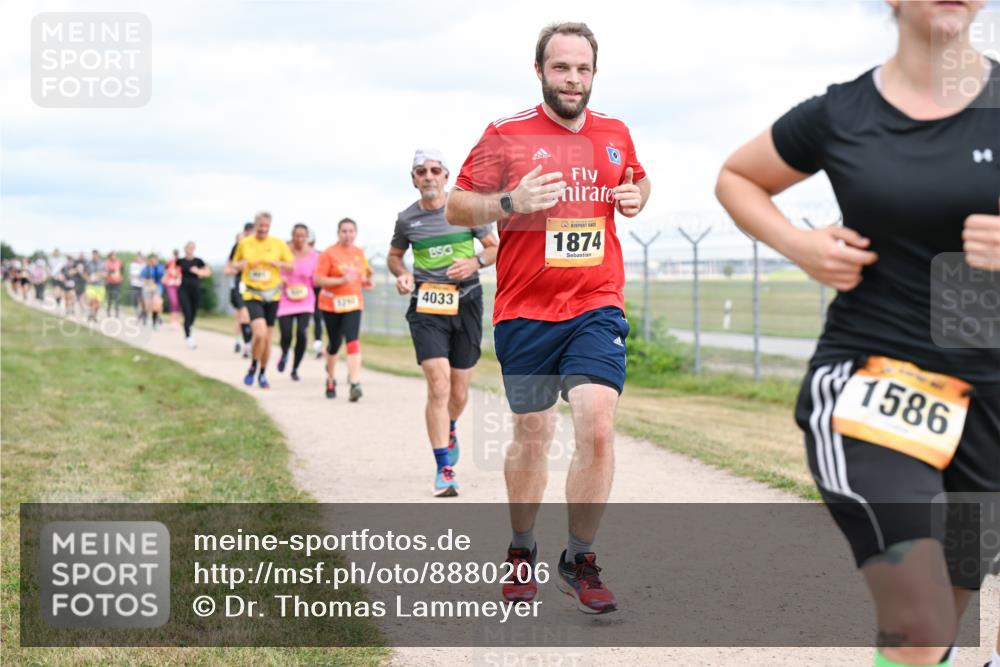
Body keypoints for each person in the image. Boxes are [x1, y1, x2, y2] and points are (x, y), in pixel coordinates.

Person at [715, 3, 999, 665]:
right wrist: (799, 244)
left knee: (941, 617)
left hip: (988, 397)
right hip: (874, 379)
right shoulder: (841, 113)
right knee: (920, 620)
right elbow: (737, 177)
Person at [446, 22, 650, 613]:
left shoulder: (615, 133)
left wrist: (637, 197)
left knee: (598, 424)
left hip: (596, 302)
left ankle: (579, 558)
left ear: (594, 73)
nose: (573, 79)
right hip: (525, 311)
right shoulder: (505, 134)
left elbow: (638, 181)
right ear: (540, 71)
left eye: (583, 69)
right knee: (533, 434)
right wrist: (510, 202)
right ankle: (521, 547)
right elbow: (458, 206)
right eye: (561, 68)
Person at [388, 148, 499, 497]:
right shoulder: (407, 219)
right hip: (427, 305)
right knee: (438, 385)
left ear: (447, 176)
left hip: (466, 301)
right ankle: (444, 469)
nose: (429, 176)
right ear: (413, 180)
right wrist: (402, 273)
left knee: (459, 391)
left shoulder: (465, 210)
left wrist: (475, 263)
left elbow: (495, 247)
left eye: (435, 170)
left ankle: (450, 425)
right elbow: (394, 256)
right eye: (421, 171)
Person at [229, 211, 293, 389]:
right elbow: (234, 264)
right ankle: (253, 365)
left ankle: (262, 373)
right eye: (260, 226)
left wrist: (279, 264)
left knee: (267, 339)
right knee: (260, 333)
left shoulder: (278, 244)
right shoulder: (244, 243)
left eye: (266, 226)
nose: (263, 229)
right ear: (255, 225)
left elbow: (291, 266)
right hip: (253, 294)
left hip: (272, 295)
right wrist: (239, 265)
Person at [315, 217, 373, 401]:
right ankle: (330, 378)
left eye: (351, 231)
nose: (348, 235)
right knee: (334, 344)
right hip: (331, 305)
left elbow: (361, 276)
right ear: (338, 233)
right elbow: (318, 280)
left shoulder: (359, 253)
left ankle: (355, 383)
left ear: (356, 233)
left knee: (352, 341)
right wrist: (341, 280)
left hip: (353, 303)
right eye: (344, 231)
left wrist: (367, 280)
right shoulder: (329, 253)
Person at [276, 223, 319, 381]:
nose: (299, 239)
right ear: (292, 236)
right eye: (297, 236)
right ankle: (284, 353)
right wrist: (281, 279)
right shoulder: (284, 252)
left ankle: (295, 368)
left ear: (307, 237)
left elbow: (316, 279)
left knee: (302, 332)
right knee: (286, 333)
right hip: (286, 298)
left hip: (305, 299)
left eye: (303, 236)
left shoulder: (314, 256)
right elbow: (276, 271)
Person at [226, 223, 254, 358]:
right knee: (242, 315)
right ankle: (244, 343)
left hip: (257, 285)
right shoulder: (238, 247)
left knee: (253, 317)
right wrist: (238, 267)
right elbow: (229, 267)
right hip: (240, 285)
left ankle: (250, 341)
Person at [177, 241, 211, 348]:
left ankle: (189, 327)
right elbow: (172, 271)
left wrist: (198, 272)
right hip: (183, 290)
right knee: (187, 313)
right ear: (185, 249)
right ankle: (189, 337)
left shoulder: (198, 261)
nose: (190, 249)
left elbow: (208, 272)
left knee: (193, 313)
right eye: (188, 247)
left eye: (192, 248)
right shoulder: (180, 261)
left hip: (195, 290)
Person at [309, 230, 325, 359]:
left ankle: (318, 345)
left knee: (317, 317)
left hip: (318, 289)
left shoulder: (320, 255)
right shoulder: (297, 256)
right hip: (305, 290)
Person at [140, 254, 165, 329]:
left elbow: (163, 276)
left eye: (154, 260)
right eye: (151, 261)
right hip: (147, 287)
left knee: (156, 304)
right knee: (147, 305)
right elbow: (142, 277)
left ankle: (155, 321)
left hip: (157, 287)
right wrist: (148, 281)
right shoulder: (146, 268)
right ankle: (145, 316)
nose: (153, 262)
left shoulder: (159, 267)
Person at [83, 251, 105, 322]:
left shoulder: (103, 264)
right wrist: (88, 279)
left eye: (96, 255)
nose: (94, 256)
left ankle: (94, 315)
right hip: (91, 286)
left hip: (100, 285)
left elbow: (106, 274)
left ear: (98, 255)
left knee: (98, 303)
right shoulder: (88, 263)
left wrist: (100, 275)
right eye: (93, 255)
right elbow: (84, 274)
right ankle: (91, 314)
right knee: (91, 301)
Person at [164, 249, 183, 328]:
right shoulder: (170, 262)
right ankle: (172, 320)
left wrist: (178, 275)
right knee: (173, 302)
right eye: (175, 254)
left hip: (179, 284)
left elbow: (182, 273)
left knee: (179, 303)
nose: (176, 256)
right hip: (171, 284)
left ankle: (177, 321)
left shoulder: (181, 262)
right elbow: (168, 271)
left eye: (177, 254)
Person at [104, 251, 123, 318]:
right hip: (110, 282)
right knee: (110, 297)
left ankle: (117, 312)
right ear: (110, 256)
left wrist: (121, 276)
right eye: (112, 255)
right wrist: (112, 271)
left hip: (117, 282)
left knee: (117, 297)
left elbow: (122, 269)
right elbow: (106, 271)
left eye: (115, 255)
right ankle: (108, 310)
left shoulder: (119, 262)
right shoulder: (107, 262)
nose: (114, 257)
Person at [128, 251, 146, 322]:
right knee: (135, 300)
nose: (139, 259)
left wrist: (139, 276)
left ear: (142, 258)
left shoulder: (145, 265)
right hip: (134, 284)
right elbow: (130, 274)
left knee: (142, 300)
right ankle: (138, 314)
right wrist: (132, 279)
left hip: (143, 285)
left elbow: (145, 275)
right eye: (137, 257)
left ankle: (143, 313)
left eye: (140, 257)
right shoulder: (132, 265)